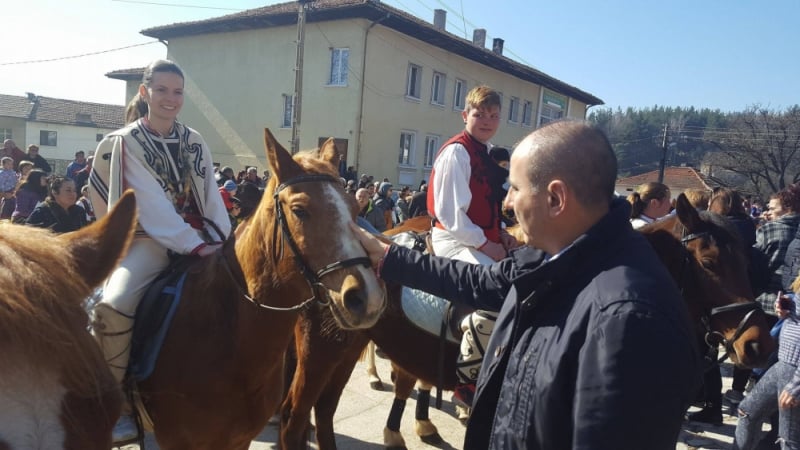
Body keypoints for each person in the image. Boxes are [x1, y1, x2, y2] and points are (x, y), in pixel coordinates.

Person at [352, 120, 700, 449]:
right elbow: (478, 282)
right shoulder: (551, 256)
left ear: (555, 199)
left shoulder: (630, 322)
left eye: (514, 189)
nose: (506, 203)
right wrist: (389, 257)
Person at [87, 59, 231, 443]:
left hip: (202, 239)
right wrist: (194, 245)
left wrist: (221, 241)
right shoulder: (125, 141)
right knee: (113, 306)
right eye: (163, 90)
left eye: (178, 92)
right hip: (148, 240)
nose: (171, 99)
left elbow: (210, 196)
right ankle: (113, 403)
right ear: (145, 92)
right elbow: (150, 206)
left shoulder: (194, 140)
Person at [425, 85, 515, 408]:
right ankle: (467, 381)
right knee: (499, 291)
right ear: (466, 116)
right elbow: (451, 216)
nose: (487, 120)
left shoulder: (485, 153)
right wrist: (487, 246)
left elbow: (487, 204)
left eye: (493, 115)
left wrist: (502, 232)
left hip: (478, 235)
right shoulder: (457, 152)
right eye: (480, 114)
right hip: (452, 238)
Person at [733, 288, 800, 450]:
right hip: (783, 364)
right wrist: (789, 304)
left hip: (794, 373)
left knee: (788, 439)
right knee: (747, 412)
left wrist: (796, 386)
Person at [753, 185, 800, 313]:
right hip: (796, 301)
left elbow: (753, 264)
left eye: (773, 209)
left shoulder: (768, 230)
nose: (769, 212)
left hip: (769, 299)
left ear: (788, 209)